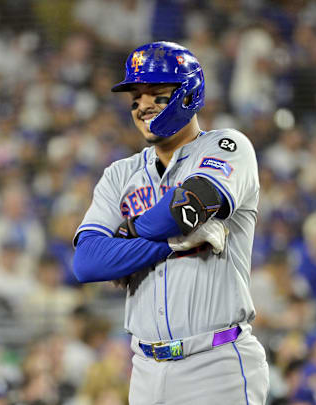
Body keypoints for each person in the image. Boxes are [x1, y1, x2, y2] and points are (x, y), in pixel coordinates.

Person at [72, 41, 269, 404]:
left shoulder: (227, 146)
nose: (142, 105)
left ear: (188, 94)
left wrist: (129, 233)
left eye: (155, 94)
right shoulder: (120, 174)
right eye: (136, 95)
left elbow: (187, 206)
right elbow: (87, 262)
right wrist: (172, 244)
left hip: (216, 362)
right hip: (146, 368)